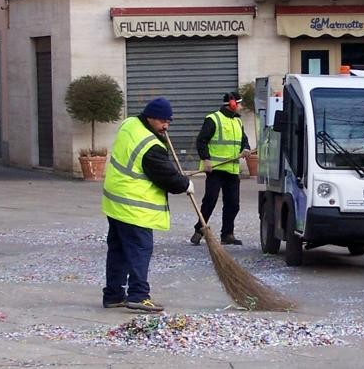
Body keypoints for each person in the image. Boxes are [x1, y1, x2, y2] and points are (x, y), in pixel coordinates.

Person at [101, 97, 194, 313]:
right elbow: (167, 178)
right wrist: (185, 184)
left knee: (118, 250)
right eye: (163, 121)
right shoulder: (150, 146)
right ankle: (138, 295)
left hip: (115, 201)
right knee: (139, 251)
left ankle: (113, 295)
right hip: (134, 207)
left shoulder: (129, 124)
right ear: (150, 118)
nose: (166, 126)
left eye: (169, 122)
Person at [189, 91, 251, 246]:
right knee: (210, 200)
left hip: (232, 170)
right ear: (232, 104)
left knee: (233, 204)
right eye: (240, 103)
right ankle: (199, 230)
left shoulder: (238, 122)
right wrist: (206, 159)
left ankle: (227, 234)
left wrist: (247, 149)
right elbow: (201, 141)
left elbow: (244, 140)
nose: (241, 107)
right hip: (215, 170)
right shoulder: (213, 119)